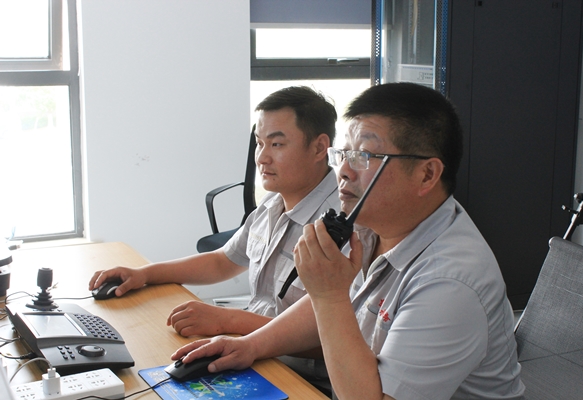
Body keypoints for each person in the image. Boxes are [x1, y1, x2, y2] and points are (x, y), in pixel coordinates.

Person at [170, 83, 525, 400]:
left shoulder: (450, 281)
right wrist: (249, 346)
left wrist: (329, 294)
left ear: (426, 174)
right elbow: (321, 311)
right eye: (345, 154)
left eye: (365, 156)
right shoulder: (372, 228)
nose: (343, 171)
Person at [89, 86, 340, 339]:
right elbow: (223, 262)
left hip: (290, 361)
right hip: (252, 346)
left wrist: (229, 321)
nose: (262, 158)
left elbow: (333, 337)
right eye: (259, 143)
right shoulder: (272, 204)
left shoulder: (342, 226)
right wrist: (144, 274)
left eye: (276, 144)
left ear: (319, 148)